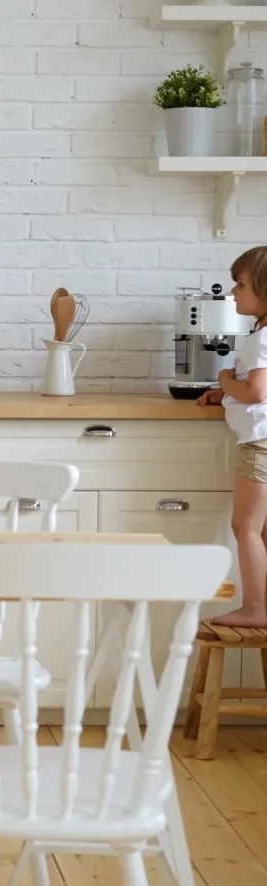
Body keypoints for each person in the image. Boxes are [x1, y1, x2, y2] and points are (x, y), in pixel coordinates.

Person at [199, 246, 267, 626]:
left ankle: (256, 609)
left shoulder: (261, 339)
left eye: (240, 284)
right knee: (263, 529)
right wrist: (227, 394)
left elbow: (257, 393)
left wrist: (224, 378)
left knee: (245, 527)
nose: (233, 292)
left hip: (259, 442)